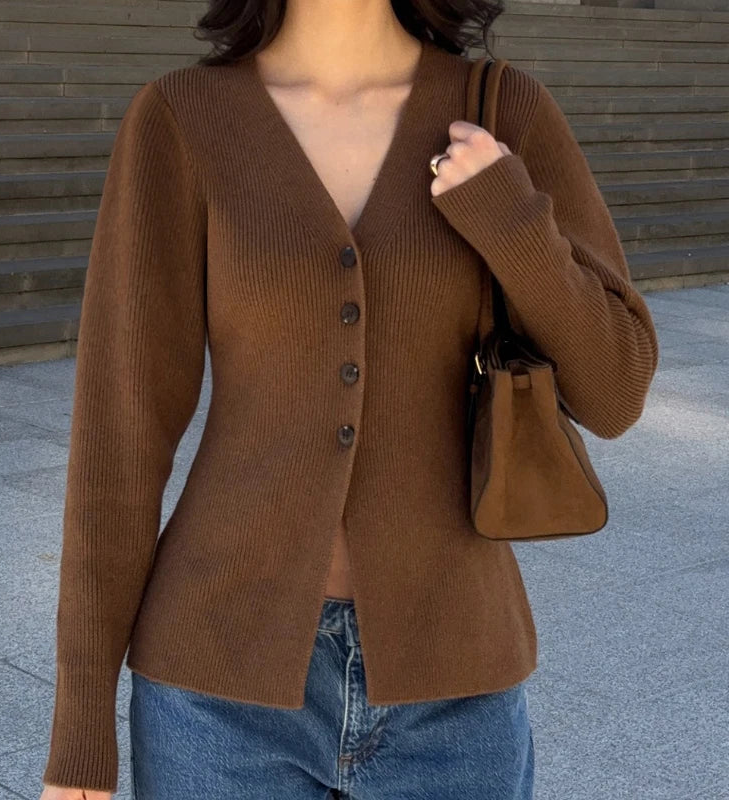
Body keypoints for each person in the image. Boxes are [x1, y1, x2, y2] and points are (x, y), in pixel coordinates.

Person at [38, 0, 659, 798]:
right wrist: (79, 728)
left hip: (455, 693)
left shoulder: (502, 112)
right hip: (216, 694)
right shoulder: (182, 120)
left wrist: (512, 220)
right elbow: (117, 435)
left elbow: (616, 390)